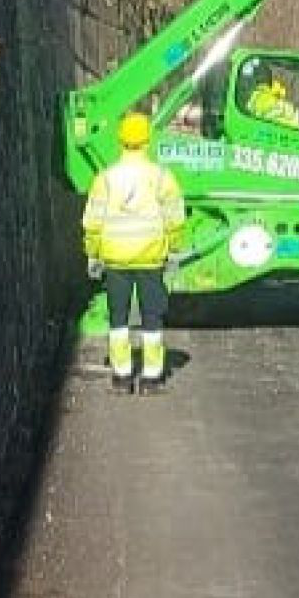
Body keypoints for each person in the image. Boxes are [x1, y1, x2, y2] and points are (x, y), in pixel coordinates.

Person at [83, 112, 186, 394]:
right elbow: (175, 218)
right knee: (152, 316)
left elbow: (93, 221)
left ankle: (122, 376)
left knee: (118, 317)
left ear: (121, 140)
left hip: (115, 258)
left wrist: (93, 254)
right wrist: (175, 250)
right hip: (151, 258)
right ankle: (151, 379)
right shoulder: (162, 177)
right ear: (147, 140)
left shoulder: (105, 178)